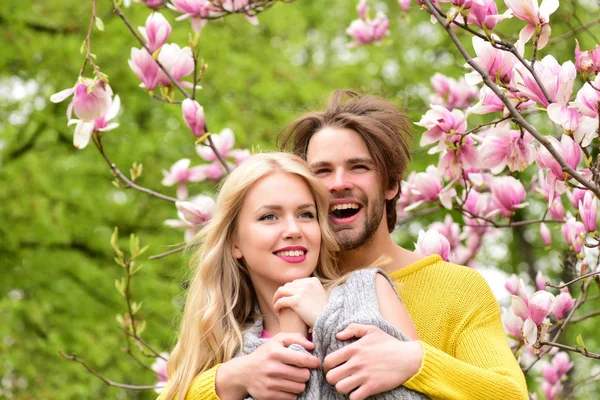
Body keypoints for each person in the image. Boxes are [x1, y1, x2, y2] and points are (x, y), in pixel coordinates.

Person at [176, 90, 530, 400]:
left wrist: (416, 361)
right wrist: (230, 379)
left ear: (390, 184)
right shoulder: (268, 286)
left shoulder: (455, 289)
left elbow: (512, 394)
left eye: (358, 167)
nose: (338, 184)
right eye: (322, 171)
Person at [159, 152, 426, 400]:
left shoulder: (370, 291)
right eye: (269, 216)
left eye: (305, 214)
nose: (293, 229)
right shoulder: (227, 344)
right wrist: (233, 379)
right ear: (234, 243)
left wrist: (328, 321)